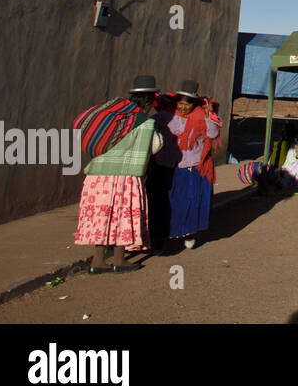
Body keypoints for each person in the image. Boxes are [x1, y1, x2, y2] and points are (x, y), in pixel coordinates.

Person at [74, 75, 165, 273]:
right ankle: (119, 259)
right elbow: (156, 146)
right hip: (125, 177)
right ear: (149, 102)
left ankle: (97, 261)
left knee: (102, 217)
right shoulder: (144, 122)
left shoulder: (116, 117)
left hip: (97, 176)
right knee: (122, 217)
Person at [157, 80, 220, 250]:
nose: (183, 107)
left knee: (191, 203)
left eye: (187, 104)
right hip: (170, 166)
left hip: (193, 167)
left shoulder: (202, 116)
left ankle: (189, 232)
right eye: (181, 103)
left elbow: (213, 134)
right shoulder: (167, 115)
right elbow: (151, 125)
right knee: (169, 203)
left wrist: (210, 116)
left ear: (194, 103)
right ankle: (163, 238)